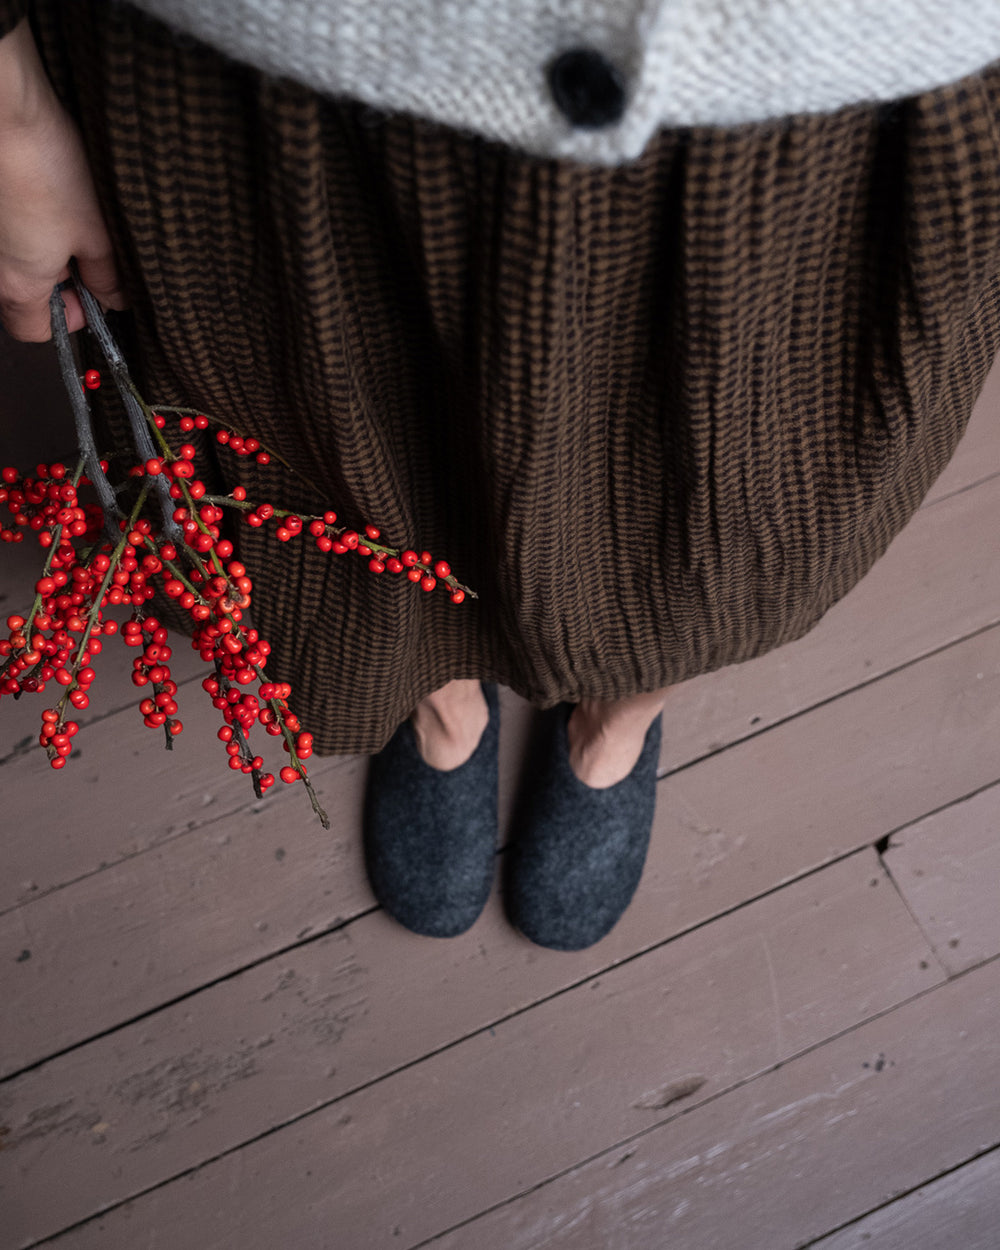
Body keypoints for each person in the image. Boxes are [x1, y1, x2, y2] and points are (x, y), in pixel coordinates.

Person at [2, 0, 999, 950]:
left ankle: (620, 714)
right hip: (273, 83)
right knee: (332, 477)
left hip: (824, 103)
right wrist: (10, 106)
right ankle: (438, 697)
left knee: (721, 510)